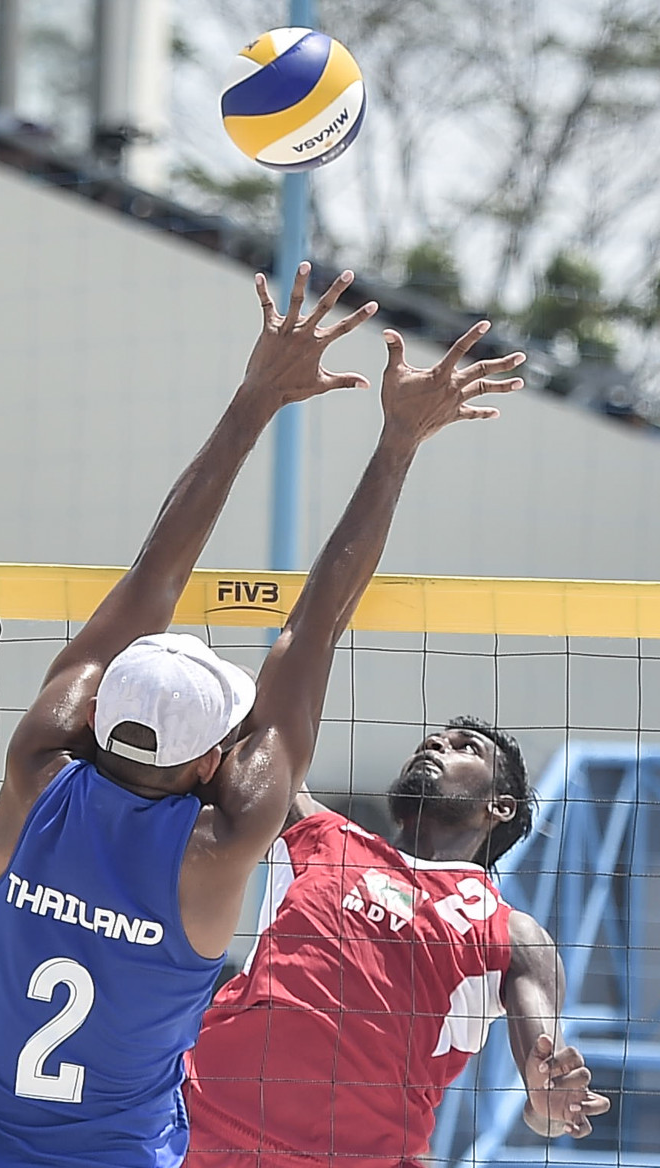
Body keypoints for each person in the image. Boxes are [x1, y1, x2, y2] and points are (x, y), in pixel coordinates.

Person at [0, 262, 379, 1168]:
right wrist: (403, 439)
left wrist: (256, 394)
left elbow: (155, 583)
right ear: (215, 761)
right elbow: (312, 632)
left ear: (93, 711)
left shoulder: (36, 775)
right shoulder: (213, 846)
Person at [184, 346, 610, 1168]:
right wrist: (395, 445)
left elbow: (541, 1050)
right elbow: (311, 630)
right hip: (204, 1138)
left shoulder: (509, 931)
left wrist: (549, 1087)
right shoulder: (315, 834)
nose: (435, 745)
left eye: (462, 747)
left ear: (502, 808)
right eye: (434, 738)